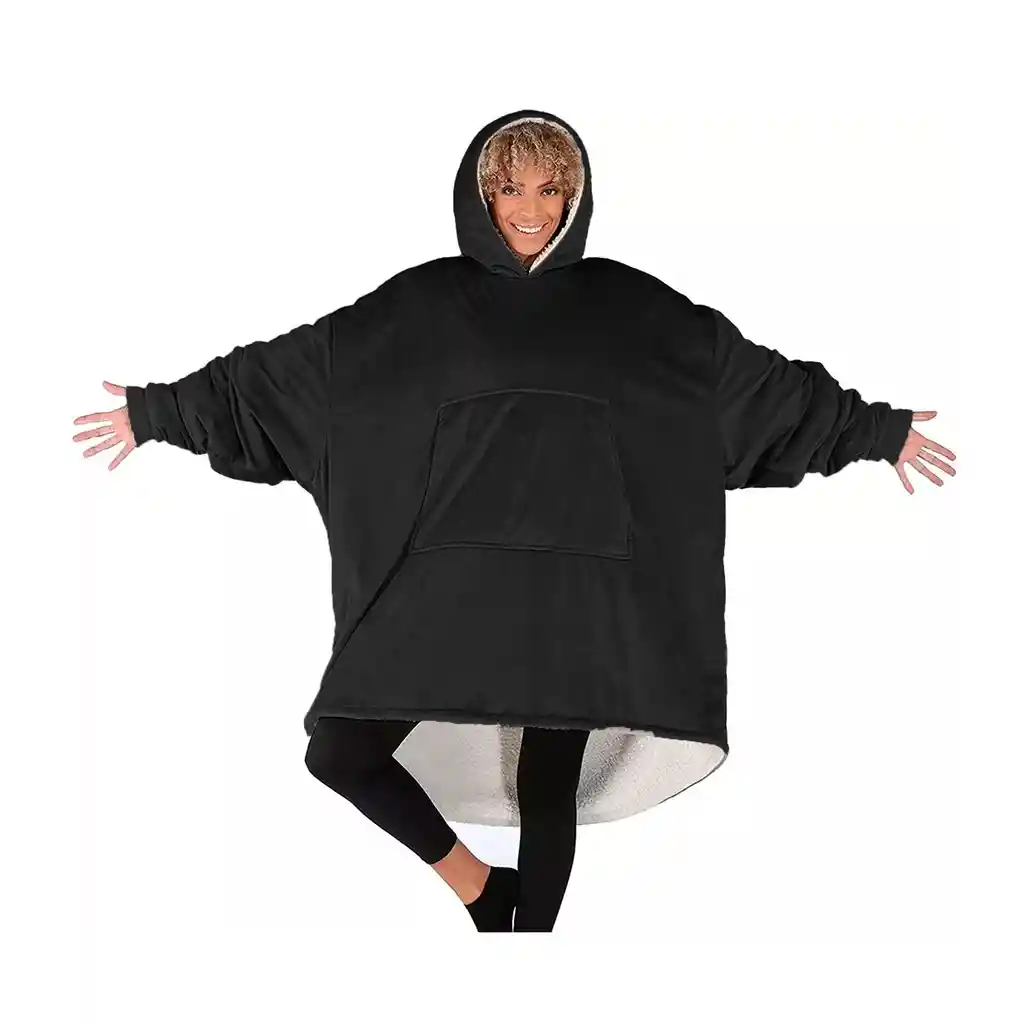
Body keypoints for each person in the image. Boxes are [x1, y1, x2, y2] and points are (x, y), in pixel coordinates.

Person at [72, 109, 956, 934]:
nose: (529, 211)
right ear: (480, 195)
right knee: (340, 750)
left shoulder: (642, 313)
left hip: (584, 589)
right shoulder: (415, 308)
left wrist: (877, 432)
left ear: (575, 197)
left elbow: (762, 390)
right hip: (452, 581)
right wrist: (161, 412)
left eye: (549, 189)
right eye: (509, 189)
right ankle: (483, 892)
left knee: (548, 783)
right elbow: (292, 377)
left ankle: (524, 949)